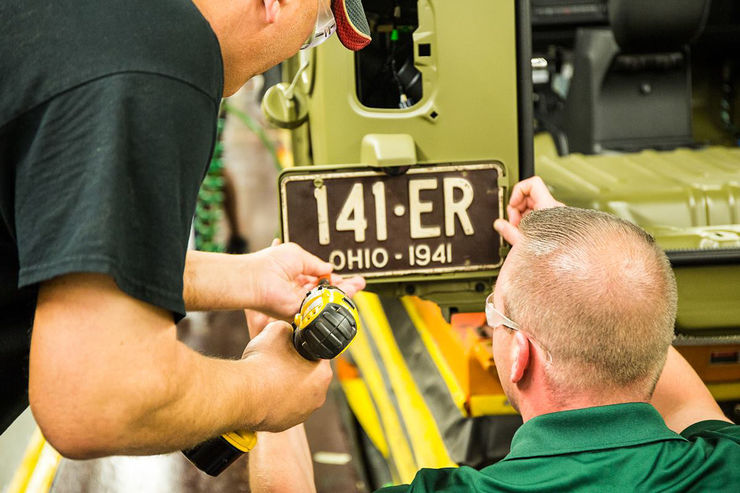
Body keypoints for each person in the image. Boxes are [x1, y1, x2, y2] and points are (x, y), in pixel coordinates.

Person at [0, 0, 369, 458]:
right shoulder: (159, 62)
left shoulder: (107, 24)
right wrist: (265, 390)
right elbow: (96, 398)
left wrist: (249, 278)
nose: (296, 48)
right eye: (318, 29)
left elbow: (64, 244)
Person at [247, 177, 739, 492]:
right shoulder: (725, 465)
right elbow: (666, 373)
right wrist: (575, 247)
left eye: (494, 314)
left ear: (520, 354)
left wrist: (270, 366)